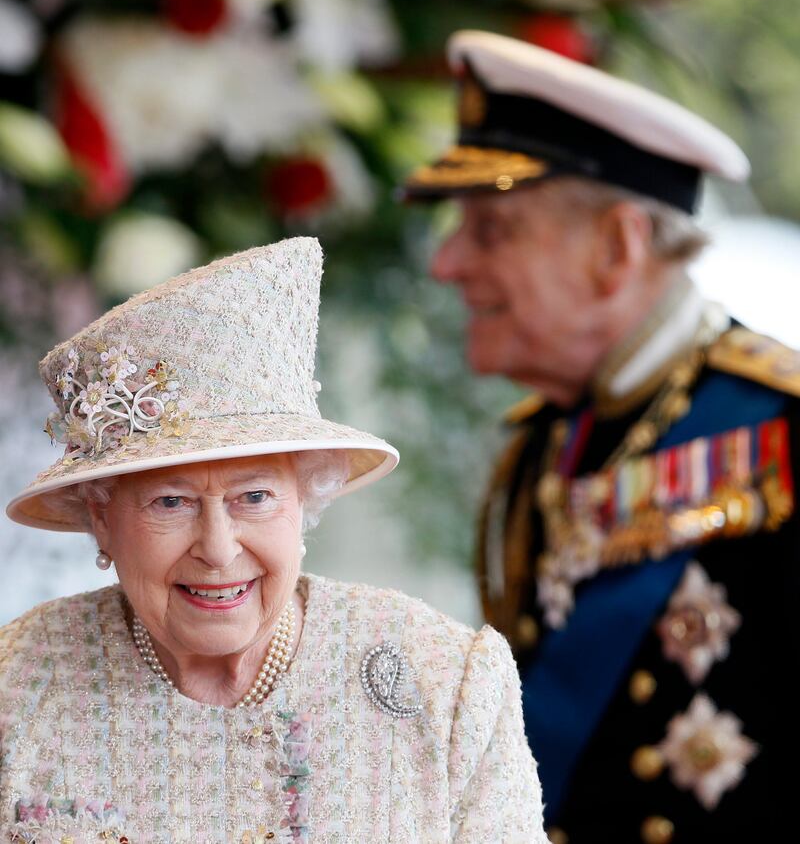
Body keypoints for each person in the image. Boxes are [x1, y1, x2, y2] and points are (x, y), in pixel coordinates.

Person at [0, 237, 547, 843]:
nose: (218, 547)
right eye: (171, 502)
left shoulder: (447, 685)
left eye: (254, 497)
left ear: (305, 498)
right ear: (101, 519)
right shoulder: (16, 687)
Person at [404, 30, 800, 843]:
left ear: (617, 247)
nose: (447, 264)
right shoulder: (547, 439)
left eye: (491, 231)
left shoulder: (781, 432)